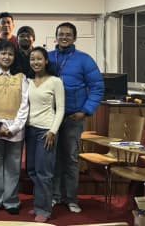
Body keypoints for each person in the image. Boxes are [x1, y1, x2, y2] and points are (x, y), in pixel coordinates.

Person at [49, 22, 104, 213]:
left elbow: (97, 87)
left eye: (68, 34)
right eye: (61, 34)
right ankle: (55, 196)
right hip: (51, 117)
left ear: (74, 38)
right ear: (56, 37)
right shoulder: (48, 58)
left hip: (73, 116)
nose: (64, 37)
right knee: (53, 158)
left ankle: (71, 198)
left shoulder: (84, 60)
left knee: (70, 158)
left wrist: (86, 110)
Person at [0, 40, 29, 215]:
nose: (6, 57)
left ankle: (11, 201)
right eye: (3, 53)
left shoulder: (21, 77)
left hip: (15, 131)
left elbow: (25, 105)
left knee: (13, 166)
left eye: (10, 54)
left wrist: (15, 127)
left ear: (14, 57)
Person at [26, 47, 65, 223]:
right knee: (32, 170)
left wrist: (52, 131)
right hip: (29, 130)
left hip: (45, 131)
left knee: (44, 172)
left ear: (46, 61)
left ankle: (44, 209)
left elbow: (61, 109)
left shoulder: (55, 81)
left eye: (39, 59)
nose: (36, 62)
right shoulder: (27, 81)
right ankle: (38, 204)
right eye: (32, 59)